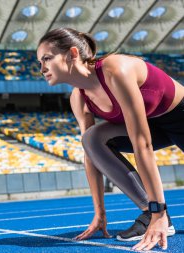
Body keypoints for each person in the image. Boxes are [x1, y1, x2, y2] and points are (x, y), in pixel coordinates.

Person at [37, 27, 183, 251]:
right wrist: (100, 213)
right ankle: (149, 213)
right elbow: (91, 154)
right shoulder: (79, 97)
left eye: (47, 58)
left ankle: (157, 213)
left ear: (72, 54)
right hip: (152, 124)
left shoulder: (116, 70)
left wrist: (159, 210)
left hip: (179, 116)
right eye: (40, 62)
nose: (42, 68)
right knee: (91, 139)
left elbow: (142, 144)